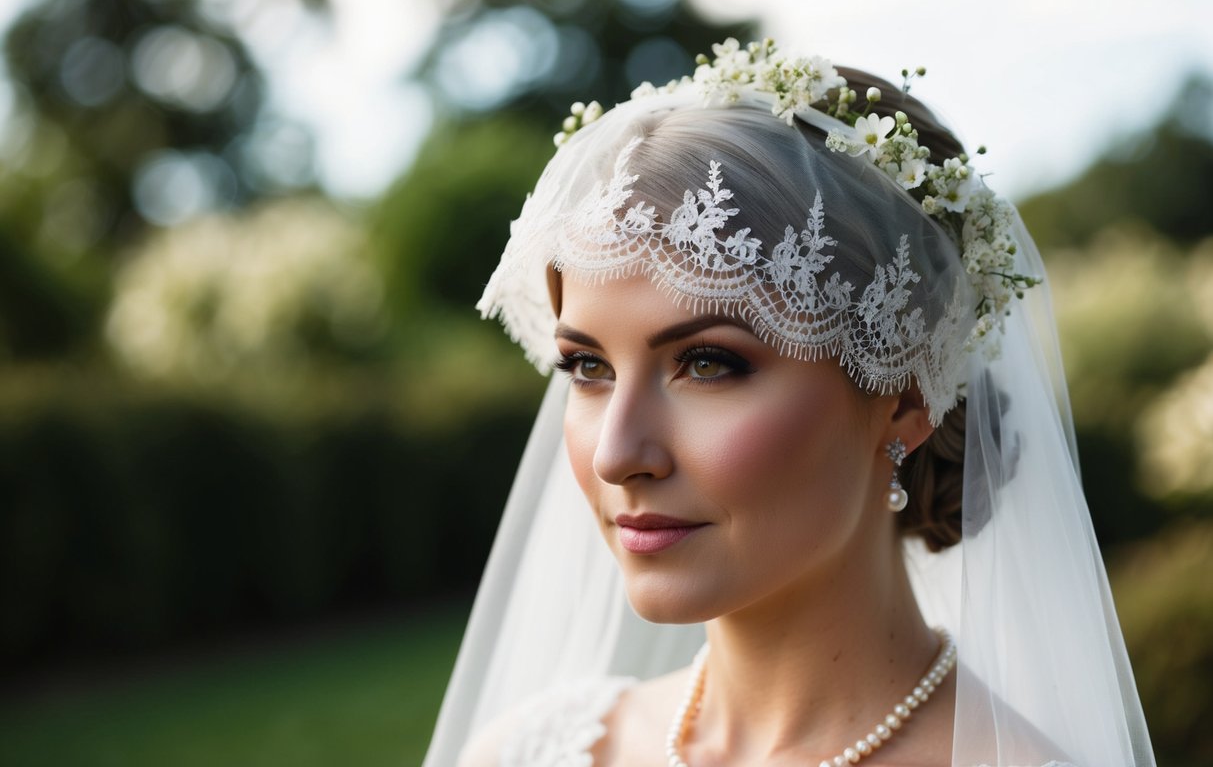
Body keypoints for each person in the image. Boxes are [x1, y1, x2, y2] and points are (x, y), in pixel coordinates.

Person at [423, 39, 1156, 767]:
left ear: (903, 393)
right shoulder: (525, 752)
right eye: (587, 366)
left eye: (706, 364)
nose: (617, 455)